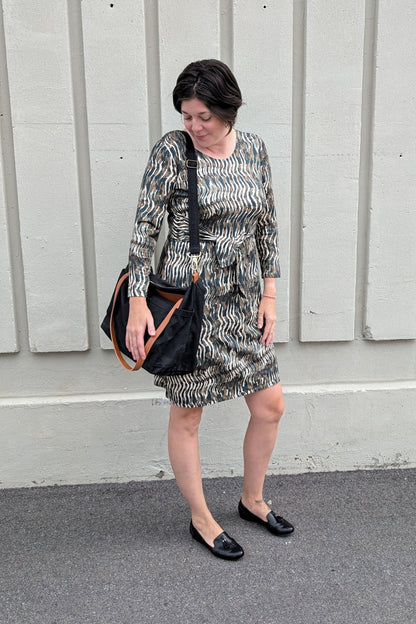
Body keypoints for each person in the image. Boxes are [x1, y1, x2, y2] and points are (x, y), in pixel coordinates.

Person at [126, 59, 293, 560]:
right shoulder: (172, 153)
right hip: (191, 304)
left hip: (241, 302)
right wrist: (138, 301)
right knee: (188, 416)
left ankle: (252, 499)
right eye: (186, 116)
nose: (194, 126)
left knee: (270, 405)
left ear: (228, 110)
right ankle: (202, 519)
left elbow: (266, 224)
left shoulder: (255, 149)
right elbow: (143, 232)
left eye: (204, 117)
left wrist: (269, 294)